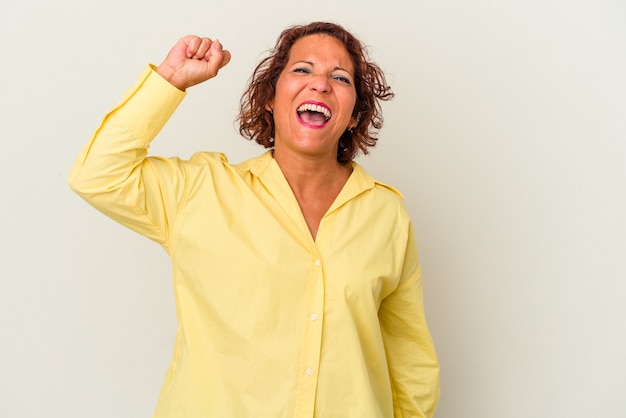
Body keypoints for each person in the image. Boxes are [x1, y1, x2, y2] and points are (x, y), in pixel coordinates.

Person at [69, 21, 440, 418]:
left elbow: (409, 361)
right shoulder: (200, 191)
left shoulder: (386, 214)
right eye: (302, 69)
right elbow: (97, 174)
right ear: (269, 98)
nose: (320, 84)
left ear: (353, 115)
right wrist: (170, 81)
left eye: (340, 77)